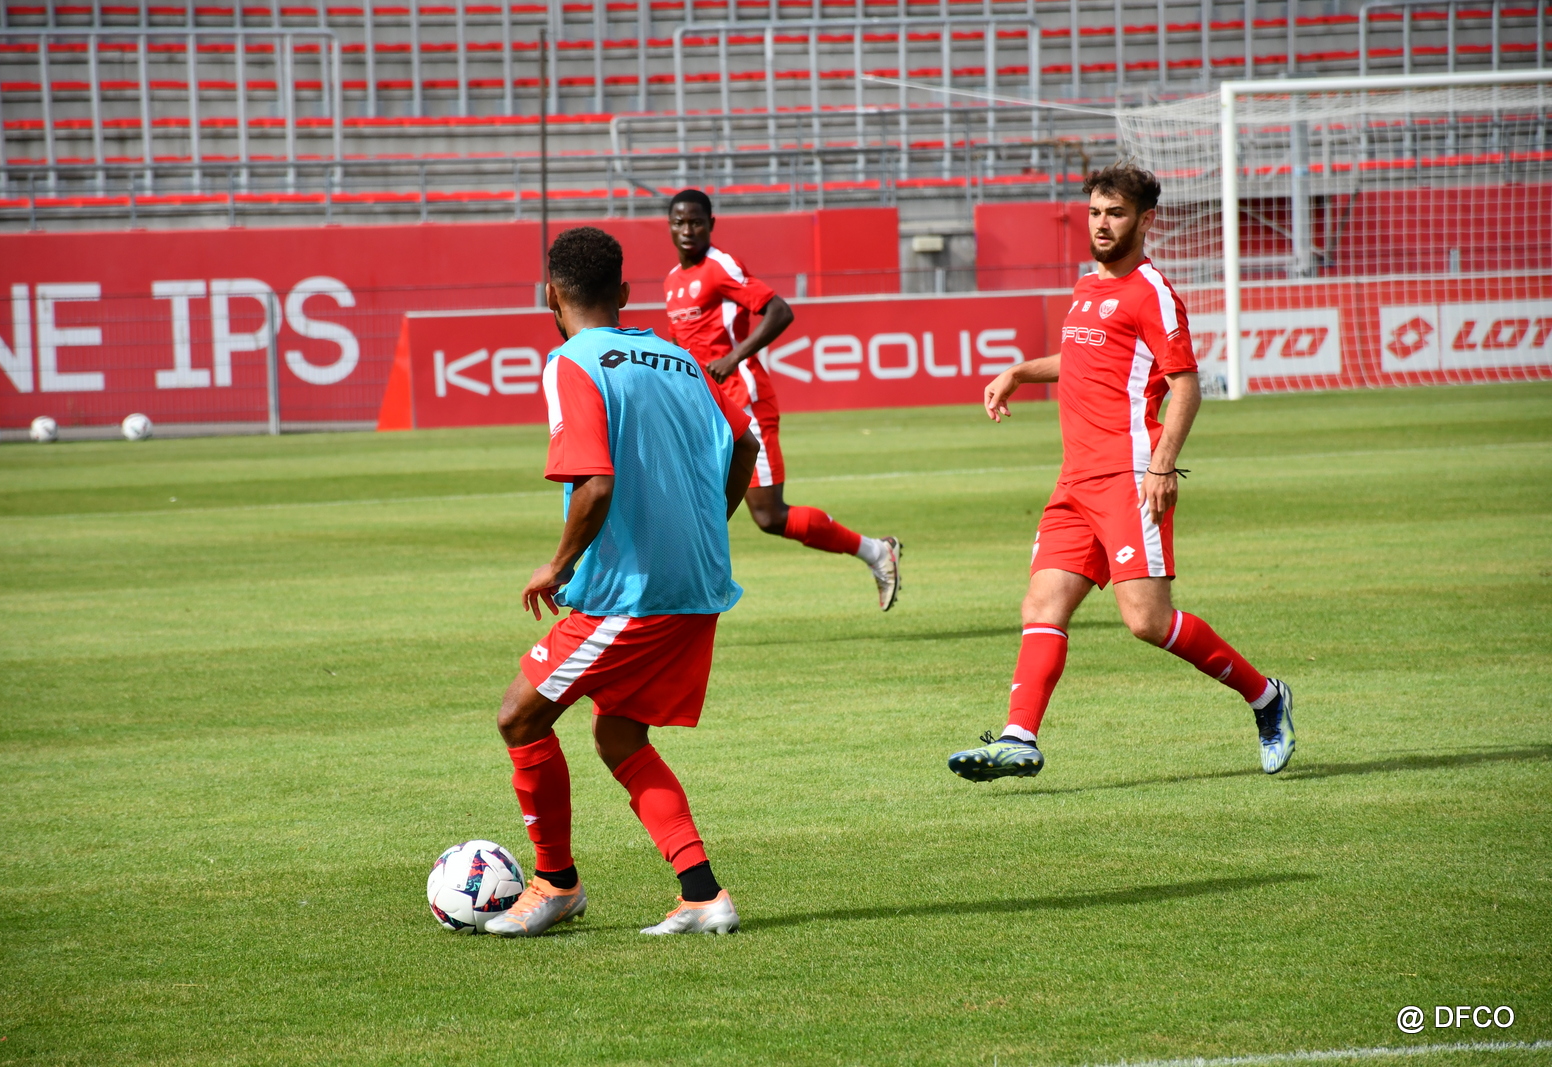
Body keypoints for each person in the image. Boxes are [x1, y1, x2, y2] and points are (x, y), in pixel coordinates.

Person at [946, 163, 1295, 782]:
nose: (1102, 225)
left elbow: (1186, 386)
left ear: (1145, 220)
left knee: (1147, 622)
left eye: (1116, 214)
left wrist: (1162, 465)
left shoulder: (1152, 292)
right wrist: (1020, 371)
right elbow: (1086, 359)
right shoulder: (1087, 286)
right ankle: (1019, 736)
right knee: (1042, 604)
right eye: (1095, 212)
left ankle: (1267, 698)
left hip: (1130, 475)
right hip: (1075, 481)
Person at [485, 226, 761, 938]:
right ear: (627, 292)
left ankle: (556, 882)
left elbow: (596, 484)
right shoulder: (681, 358)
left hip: (632, 594)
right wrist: (705, 526)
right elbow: (745, 443)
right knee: (617, 733)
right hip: (697, 584)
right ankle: (702, 894)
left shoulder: (570, 362)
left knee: (519, 715)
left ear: (550, 295)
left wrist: (558, 564)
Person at [663, 188, 904, 611]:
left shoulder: (720, 267)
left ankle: (876, 552)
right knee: (695, 505)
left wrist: (732, 358)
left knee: (769, 515)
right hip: (704, 411)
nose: (687, 230)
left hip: (744, 401)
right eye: (679, 222)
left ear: (711, 224)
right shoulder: (671, 281)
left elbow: (780, 310)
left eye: (696, 221)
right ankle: (683, 597)